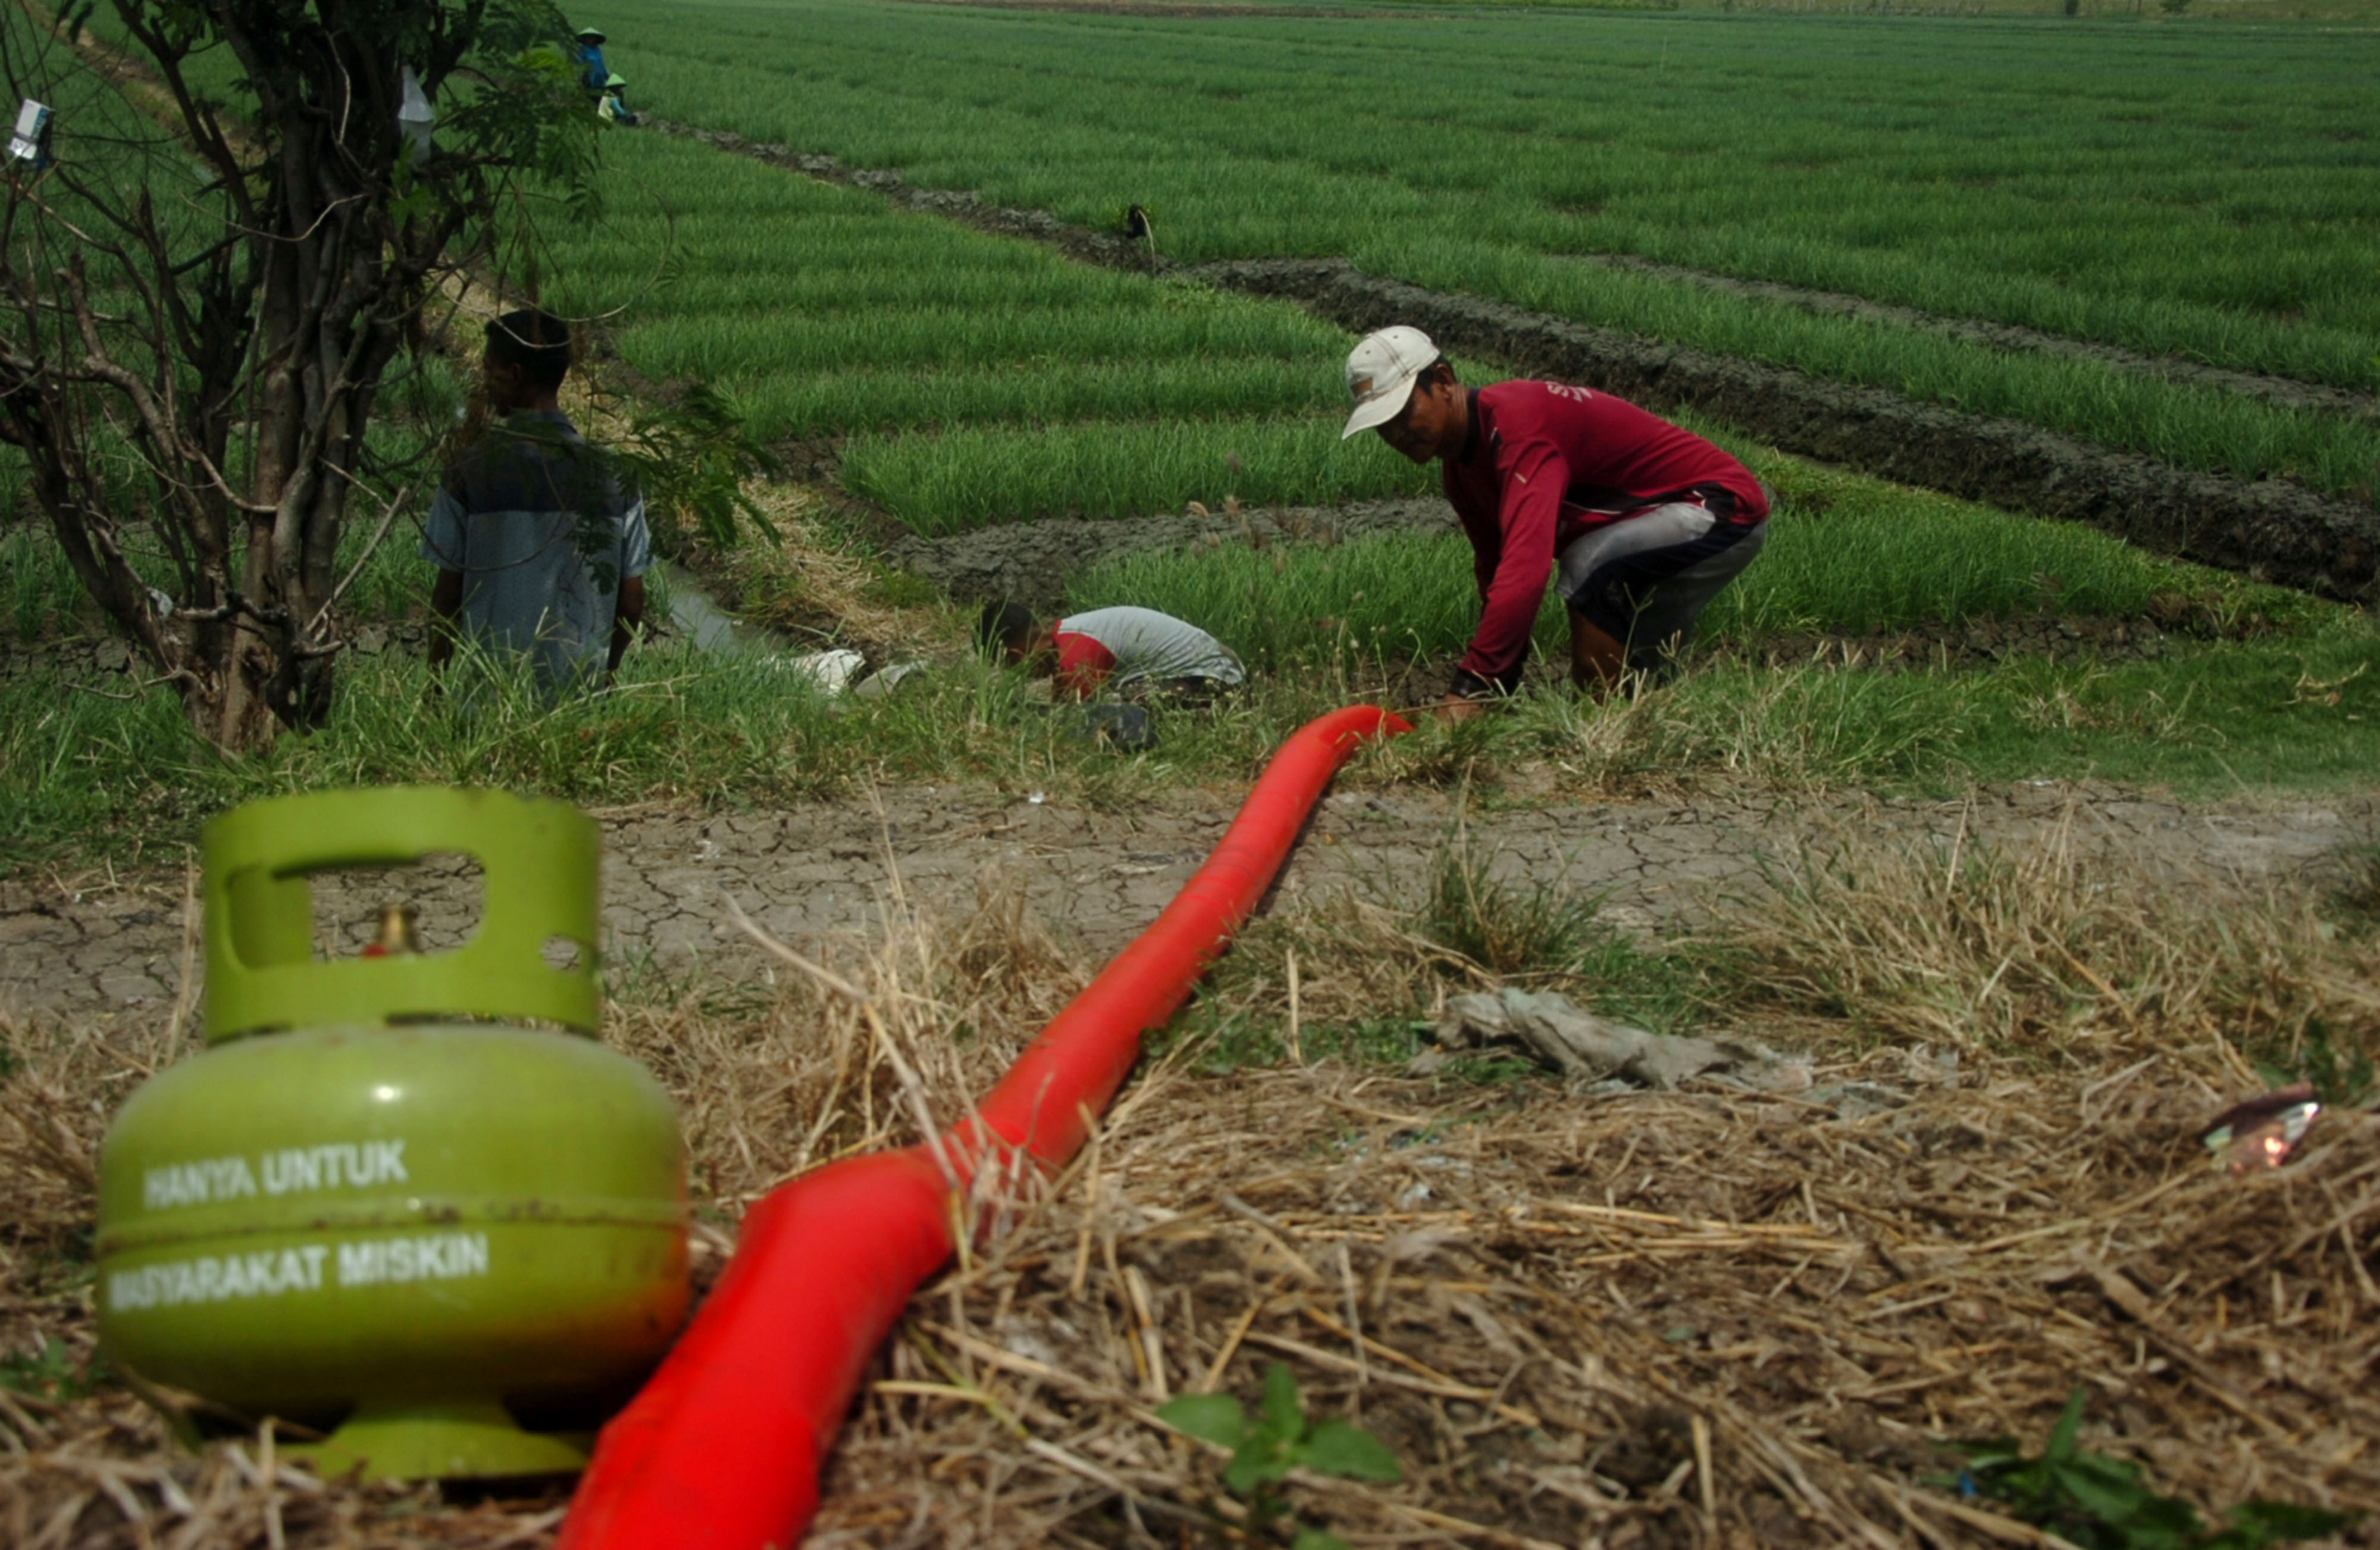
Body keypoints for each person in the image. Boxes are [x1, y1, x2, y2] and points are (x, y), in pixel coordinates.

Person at [1341, 325, 1767, 721]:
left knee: (1590, 567)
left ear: (1444, 381)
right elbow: (1495, 572)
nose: (1396, 434)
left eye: (1404, 412)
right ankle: (1626, 732)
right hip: (1661, 521)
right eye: (1383, 426)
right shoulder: (1460, 472)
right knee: (1642, 680)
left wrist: (1473, 686)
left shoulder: (1517, 425)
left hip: (1720, 506)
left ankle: (1597, 732)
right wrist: (1497, 683)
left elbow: (1526, 570)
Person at [424, 309, 650, 698]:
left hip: (490, 701)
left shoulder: (470, 471)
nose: (484, 383)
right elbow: (631, 602)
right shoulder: (616, 477)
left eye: (489, 370)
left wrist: (435, 686)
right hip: (579, 704)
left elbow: (448, 596)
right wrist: (607, 673)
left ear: (515, 375)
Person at [979, 602, 1244, 701]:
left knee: (1115, 709)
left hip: (1215, 682)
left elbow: (1069, 720)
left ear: (1017, 655)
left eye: (1010, 666)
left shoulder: (1075, 652)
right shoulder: (1070, 636)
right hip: (1215, 674)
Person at [572, 27, 608, 96]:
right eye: (589, 38)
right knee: (590, 96)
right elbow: (580, 63)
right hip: (589, 79)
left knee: (600, 97)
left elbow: (602, 63)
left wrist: (607, 76)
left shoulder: (598, 49)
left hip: (600, 79)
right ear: (585, 39)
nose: (591, 39)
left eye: (593, 38)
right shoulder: (583, 49)